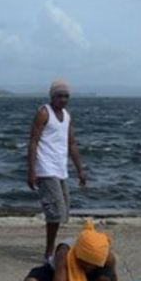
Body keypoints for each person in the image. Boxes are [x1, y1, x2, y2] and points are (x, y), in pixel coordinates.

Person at [27, 79, 87, 263]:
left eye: (66, 96)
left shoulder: (67, 116)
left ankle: (51, 250)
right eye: (59, 96)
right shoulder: (44, 113)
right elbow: (33, 141)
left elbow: (71, 143)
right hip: (46, 168)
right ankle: (49, 253)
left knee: (62, 212)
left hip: (61, 169)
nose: (63, 99)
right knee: (55, 212)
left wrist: (80, 169)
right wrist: (31, 170)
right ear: (52, 96)